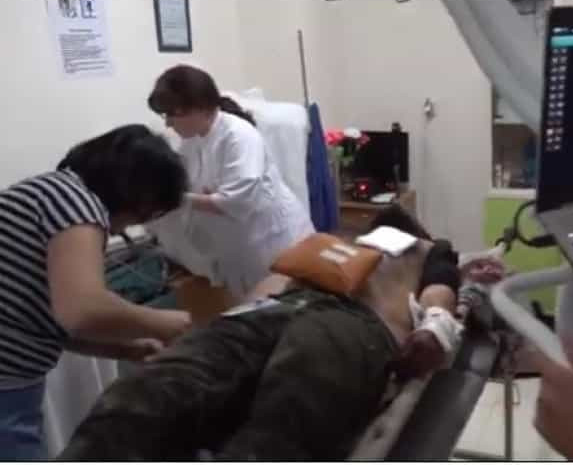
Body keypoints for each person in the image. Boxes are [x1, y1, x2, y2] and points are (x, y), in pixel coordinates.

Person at [58, 210, 462, 460]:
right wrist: (225, 328)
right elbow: (274, 282)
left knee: (280, 429)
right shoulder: (336, 240)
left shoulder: (427, 249)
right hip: (273, 310)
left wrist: (434, 328)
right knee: (144, 394)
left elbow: (440, 291)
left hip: (351, 320)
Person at [0, 124, 193, 459]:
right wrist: (167, 323)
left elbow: (46, 322)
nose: (132, 226)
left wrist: (123, 349)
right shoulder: (76, 204)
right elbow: (83, 310)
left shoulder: (50, 191)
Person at [147, 64, 314, 299]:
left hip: (273, 238)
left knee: (285, 301)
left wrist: (182, 199)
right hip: (240, 243)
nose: (168, 124)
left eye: (171, 115)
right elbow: (188, 182)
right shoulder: (193, 141)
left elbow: (237, 200)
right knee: (250, 305)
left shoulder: (239, 137)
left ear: (199, 108)